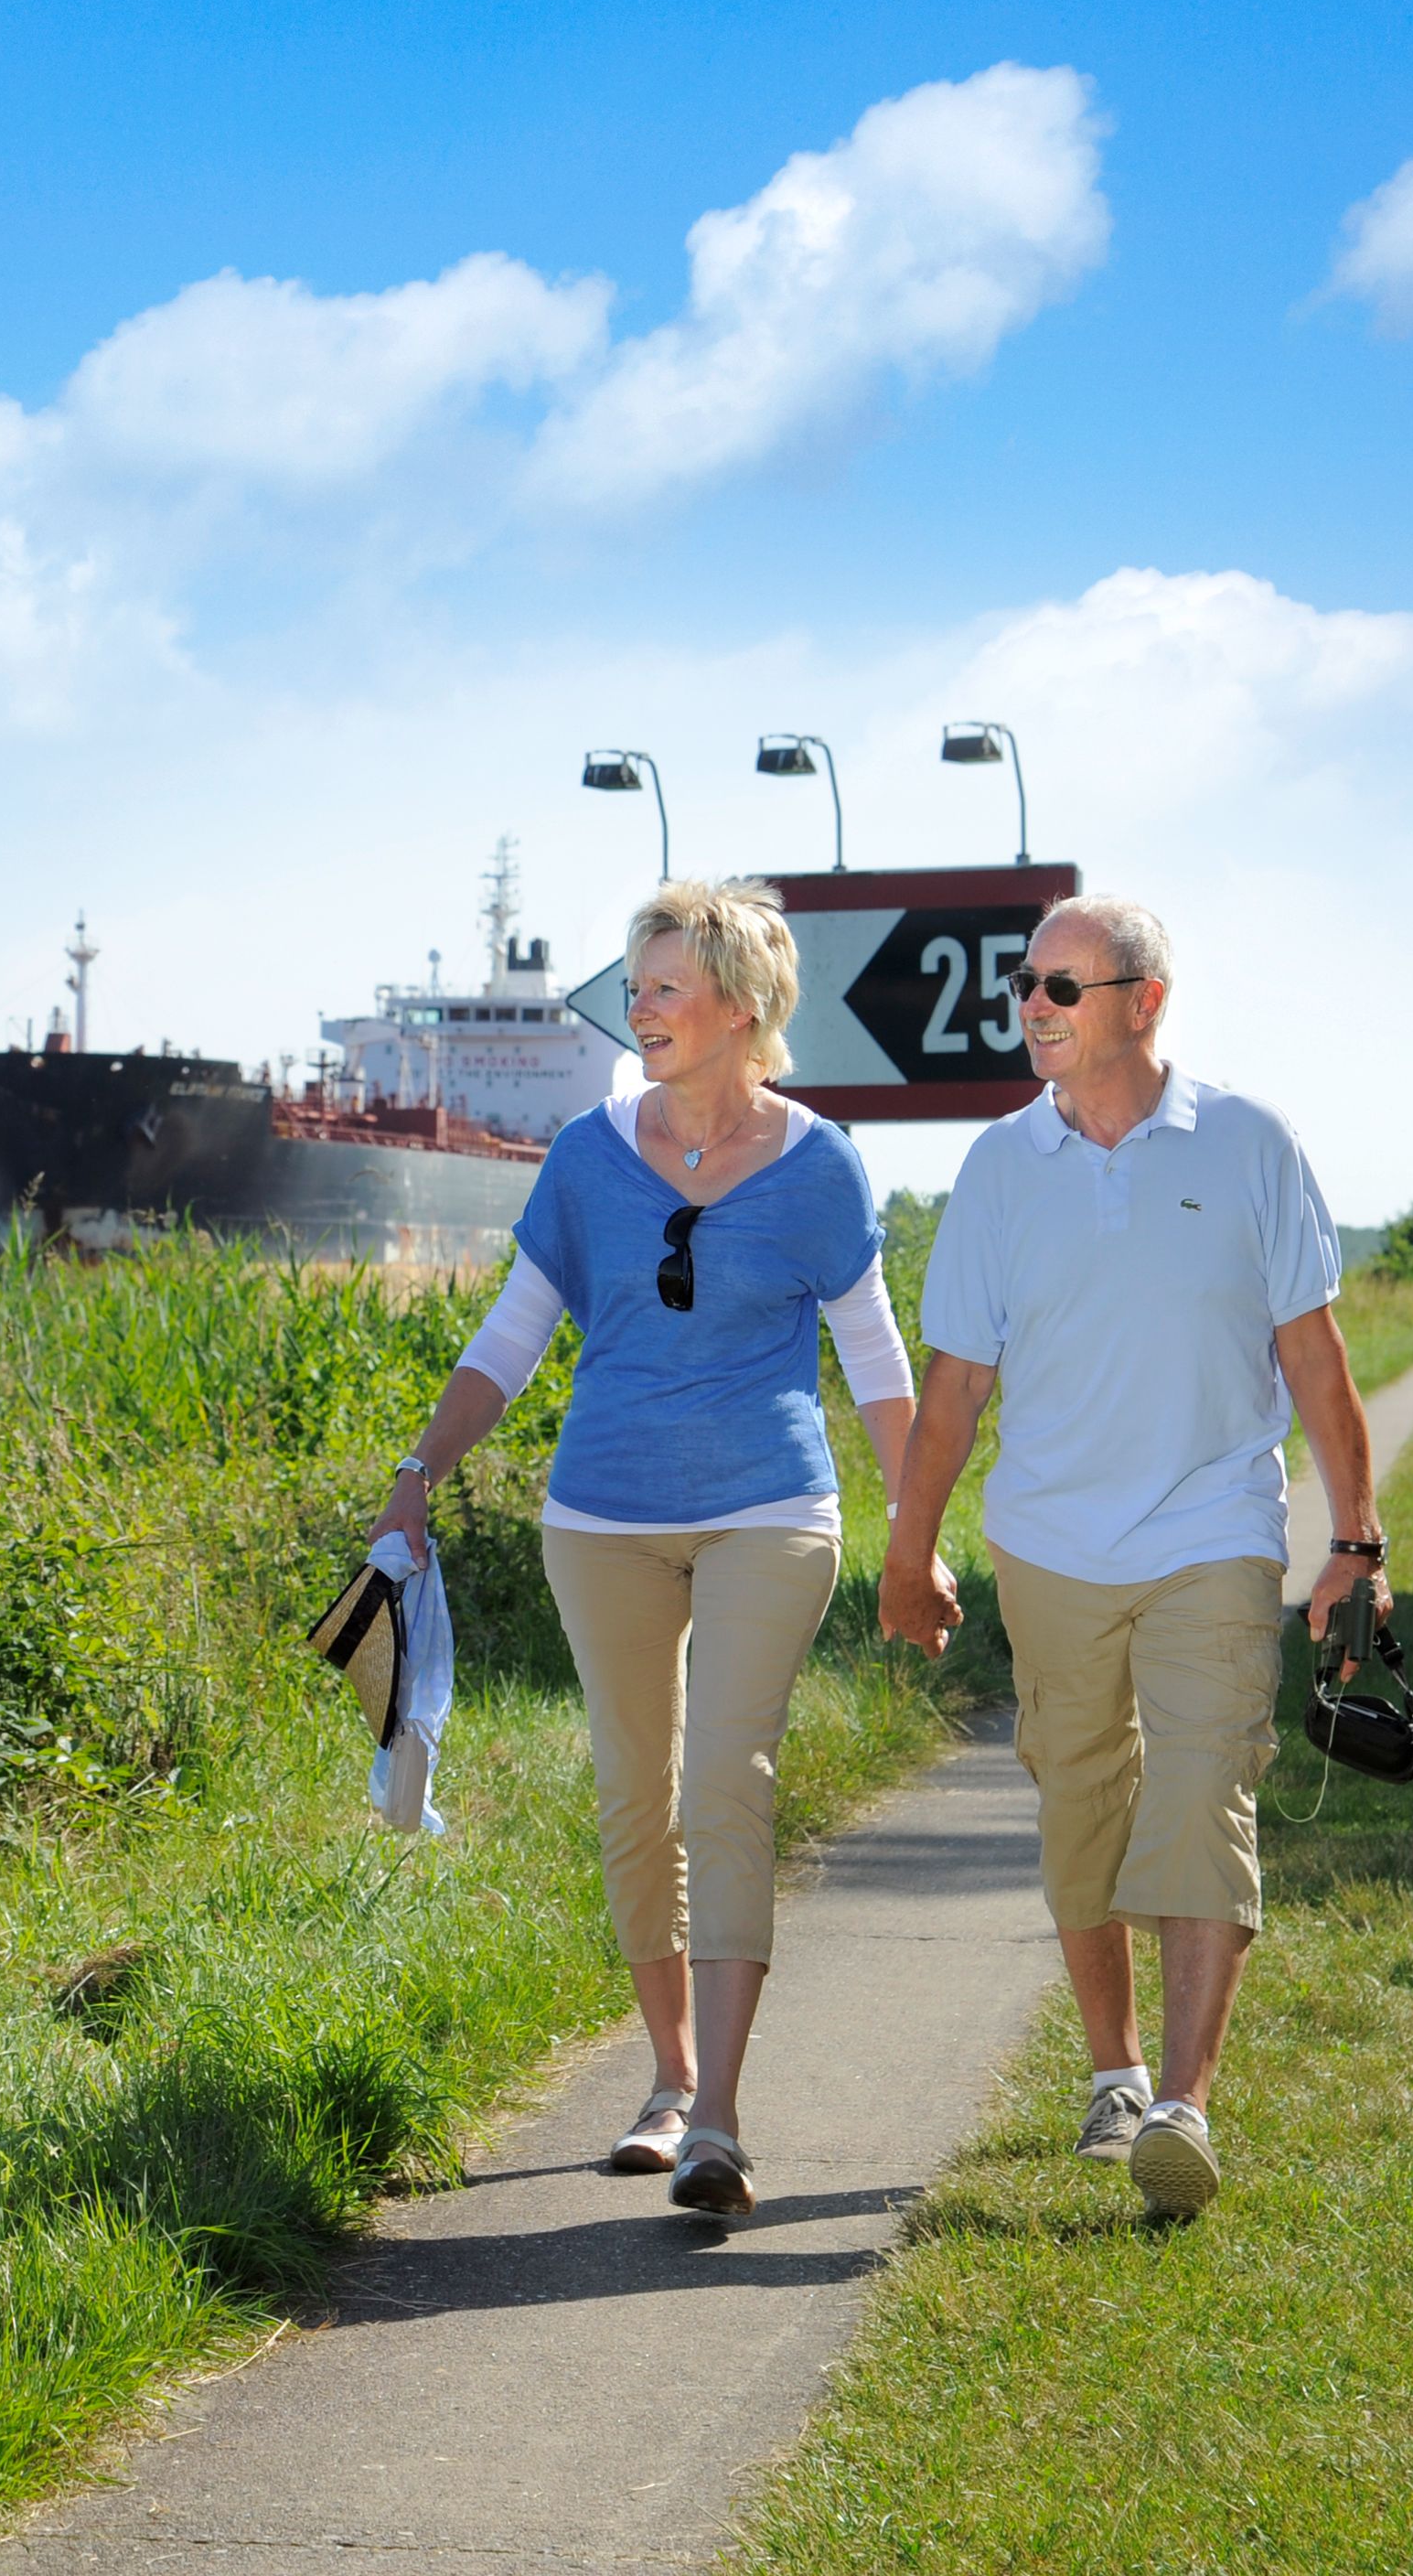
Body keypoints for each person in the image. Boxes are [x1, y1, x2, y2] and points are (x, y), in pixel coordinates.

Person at [373, 878, 919, 2216]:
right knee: (635, 1796)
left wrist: (920, 1535)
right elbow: (512, 1337)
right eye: (637, 987)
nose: (642, 1008)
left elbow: (875, 1359)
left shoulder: (822, 1164)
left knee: (724, 1782)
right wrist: (416, 1472)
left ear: (743, 1007)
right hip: (602, 1519)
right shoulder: (585, 1155)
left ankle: (722, 2119)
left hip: (769, 1511)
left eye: (667, 988)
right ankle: (667, 2083)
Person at [878, 895, 1383, 2220]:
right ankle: (1115, 2073)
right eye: (1025, 987)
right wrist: (908, 1551)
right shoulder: (999, 1169)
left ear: (1143, 1002)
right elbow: (953, 1386)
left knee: (1207, 1786)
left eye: (1060, 987)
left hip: (1214, 1530)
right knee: (1082, 1807)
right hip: (1048, 1544)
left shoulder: (1251, 1144)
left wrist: (1353, 1542)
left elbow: (1315, 1360)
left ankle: (1184, 2109)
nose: (1030, 1008)